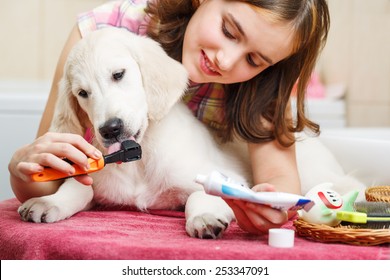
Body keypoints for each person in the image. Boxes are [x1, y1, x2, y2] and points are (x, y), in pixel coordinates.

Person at [8, 0, 330, 234]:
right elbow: (50, 168)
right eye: (228, 30)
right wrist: (22, 168)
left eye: (255, 59)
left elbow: (278, 177)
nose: (226, 60)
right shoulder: (105, 34)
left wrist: (269, 206)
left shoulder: (258, 86)